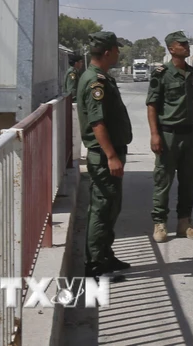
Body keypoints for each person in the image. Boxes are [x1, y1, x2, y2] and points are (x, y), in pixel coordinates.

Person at [76, 31, 133, 278]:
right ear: (108, 52)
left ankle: (105, 256)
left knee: (110, 207)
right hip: (103, 156)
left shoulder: (101, 77)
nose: (119, 53)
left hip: (109, 154)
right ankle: (95, 265)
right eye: (117, 49)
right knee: (101, 209)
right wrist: (111, 156)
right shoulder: (94, 81)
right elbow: (97, 123)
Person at [147, 31, 193, 242]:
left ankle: (185, 223)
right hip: (168, 135)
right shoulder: (161, 74)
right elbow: (152, 105)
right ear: (171, 49)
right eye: (181, 44)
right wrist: (155, 134)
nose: (186, 46)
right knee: (163, 180)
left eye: (187, 43)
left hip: (189, 135)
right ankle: (160, 224)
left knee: (189, 180)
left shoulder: (191, 72)